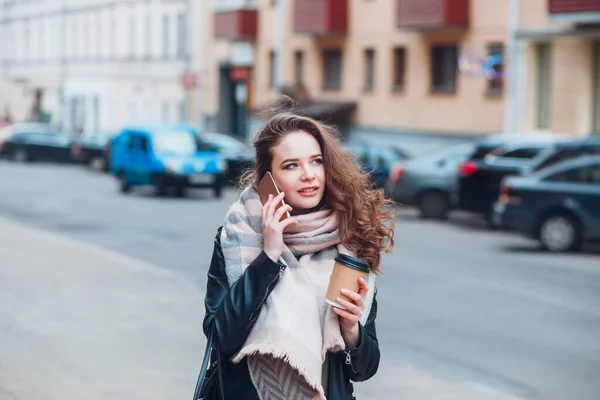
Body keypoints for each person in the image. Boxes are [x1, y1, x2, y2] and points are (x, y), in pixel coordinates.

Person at [202, 110, 394, 399]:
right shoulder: (238, 236)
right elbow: (222, 338)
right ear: (269, 179)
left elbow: (363, 370)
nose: (309, 175)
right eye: (291, 166)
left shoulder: (351, 241)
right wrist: (269, 256)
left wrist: (351, 328)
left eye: (316, 161)